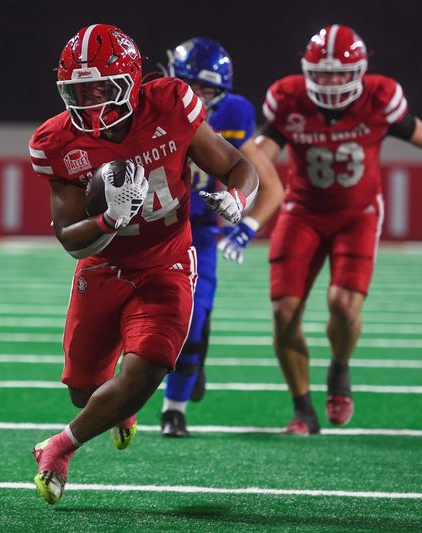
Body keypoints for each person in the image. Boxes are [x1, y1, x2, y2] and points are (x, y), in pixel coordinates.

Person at [27, 24, 259, 504]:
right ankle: (121, 408)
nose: (89, 102)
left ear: (130, 82)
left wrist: (238, 197)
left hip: (167, 260)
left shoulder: (171, 104)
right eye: (78, 91)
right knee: (85, 390)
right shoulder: (56, 141)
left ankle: (59, 447)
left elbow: (238, 165)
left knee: (151, 364)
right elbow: (70, 239)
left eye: (100, 89)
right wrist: (110, 219)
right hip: (104, 267)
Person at [253, 25, 422, 435]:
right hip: (301, 211)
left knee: (343, 306)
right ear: (307, 71)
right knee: (283, 313)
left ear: (359, 71)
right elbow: (259, 153)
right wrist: (231, 170)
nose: (333, 81)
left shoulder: (379, 98)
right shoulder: (288, 98)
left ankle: (339, 367)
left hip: (357, 214)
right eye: (323, 72)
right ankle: (303, 409)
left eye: (341, 73)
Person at [159, 38, 284, 437]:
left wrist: (247, 224)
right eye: (192, 86)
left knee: (193, 320)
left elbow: (268, 183)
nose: (199, 97)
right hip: (149, 227)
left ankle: (172, 410)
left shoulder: (233, 113)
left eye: (208, 90)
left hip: (198, 233)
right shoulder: (152, 105)